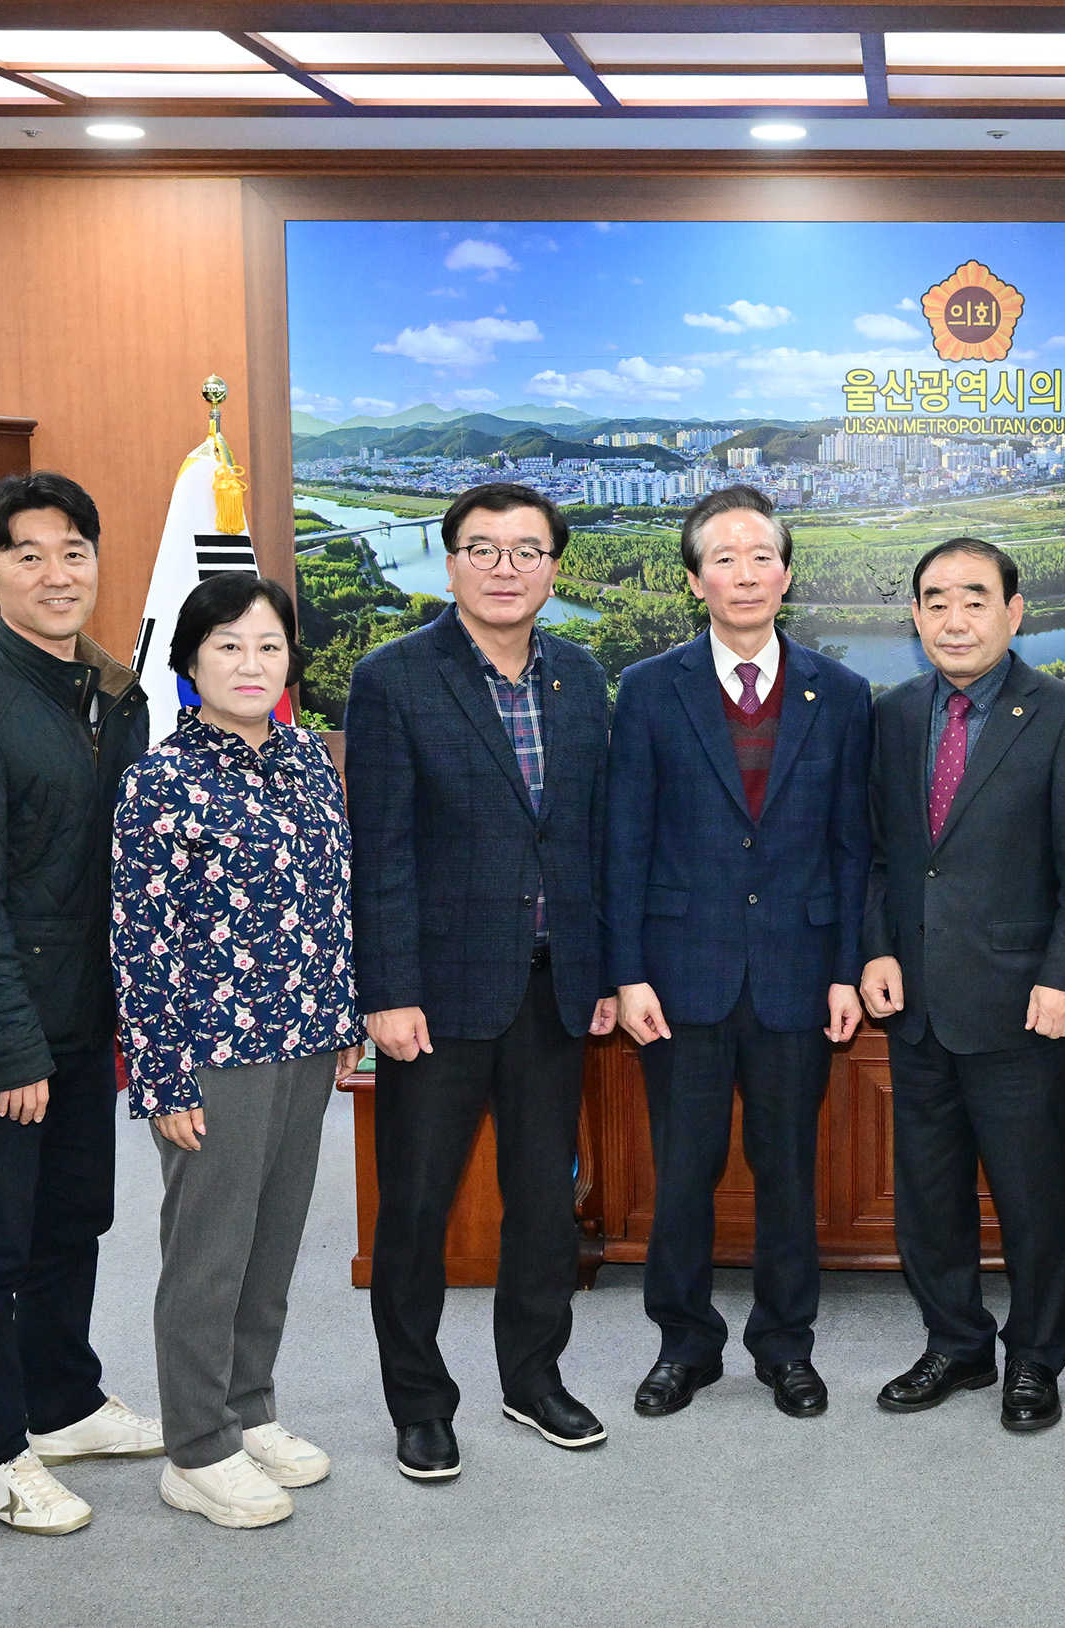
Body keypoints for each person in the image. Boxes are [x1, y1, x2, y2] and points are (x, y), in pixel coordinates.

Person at [350, 482, 619, 1481]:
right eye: (483, 548)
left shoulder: (585, 678)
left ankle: (532, 1376)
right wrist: (387, 988)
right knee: (415, 1209)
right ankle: (419, 1401)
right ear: (450, 558)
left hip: (556, 988)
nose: (505, 567)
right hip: (435, 995)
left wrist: (602, 968)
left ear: (555, 565)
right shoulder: (395, 679)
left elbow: (593, 839)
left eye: (526, 550)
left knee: (546, 1199)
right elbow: (378, 853)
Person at [0, 471, 160, 1538]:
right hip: (6, 1035)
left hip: (86, 1016)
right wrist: (12, 1049)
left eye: (74, 550)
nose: (56, 573)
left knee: (74, 1219)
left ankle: (60, 1401)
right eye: (28, 555)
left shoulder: (109, 692)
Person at [604, 486, 873, 1422]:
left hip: (799, 973)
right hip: (679, 978)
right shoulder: (646, 689)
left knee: (788, 1169)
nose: (745, 572)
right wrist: (627, 972)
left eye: (761, 555)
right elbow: (623, 844)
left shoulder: (838, 693)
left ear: (786, 574)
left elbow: (854, 847)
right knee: (682, 1171)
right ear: (694, 581)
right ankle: (685, 1344)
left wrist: (846, 966)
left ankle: (783, 1346)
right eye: (723, 557)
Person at [111, 575, 365, 1529]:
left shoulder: (306, 759)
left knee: (274, 1236)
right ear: (188, 664)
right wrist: (162, 1075)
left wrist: (343, 1022)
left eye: (268, 646)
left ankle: (248, 1407)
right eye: (228, 647)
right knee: (208, 1252)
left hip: (305, 1037)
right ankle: (195, 1445)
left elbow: (331, 901)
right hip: (212, 1052)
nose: (251, 664)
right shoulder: (160, 783)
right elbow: (140, 940)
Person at [858, 537, 1065, 1433]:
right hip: (917, 1001)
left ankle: (1036, 1359)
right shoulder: (890, 715)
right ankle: (955, 1345)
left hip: (1022, 1003)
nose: (954, 617)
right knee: (927, 1194)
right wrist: (876, 951)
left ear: (1015, 611)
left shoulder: (1064, 714)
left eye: (975, 598)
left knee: (1031, 1196)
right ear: (916, 616)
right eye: (935, 600)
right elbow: (883, 856)